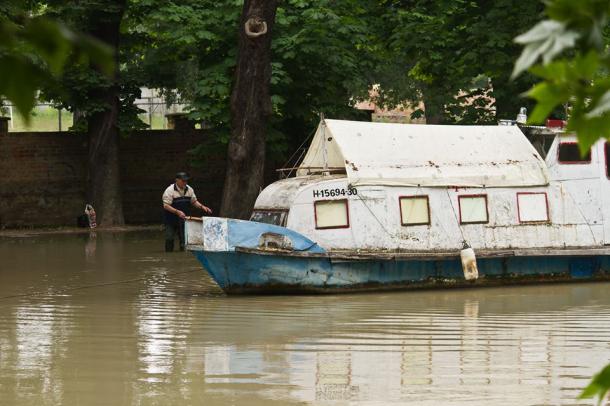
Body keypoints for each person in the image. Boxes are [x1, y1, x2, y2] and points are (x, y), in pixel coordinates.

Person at [162, 172, 212, 252]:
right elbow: (166, 206)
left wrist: (203, 207)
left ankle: (182, 253)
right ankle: (168, 254)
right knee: (169, 238)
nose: (185, 183)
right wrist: (177, 212)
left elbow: (194, 201)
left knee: (184, 240)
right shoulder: (169, 190)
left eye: (186, 181)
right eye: (183, 181)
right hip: (171, 219)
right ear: (177, 180)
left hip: (184, 219)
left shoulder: (189, 189)